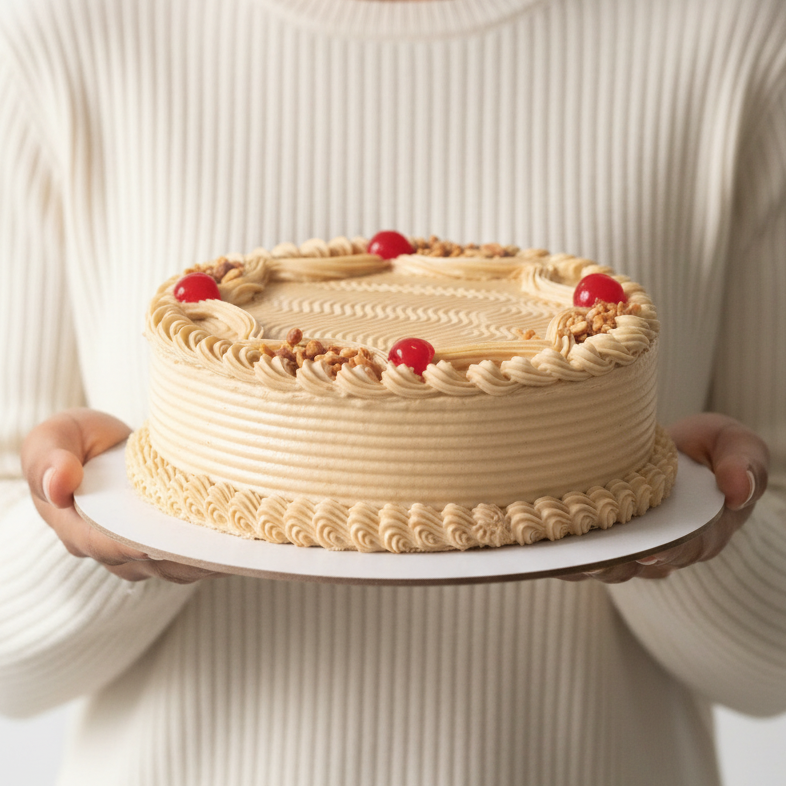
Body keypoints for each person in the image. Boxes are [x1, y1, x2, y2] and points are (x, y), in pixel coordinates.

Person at [0, 0, 784, 783]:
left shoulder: (736, 29)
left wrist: (694, 530)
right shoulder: (63, 27)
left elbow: (770, 668)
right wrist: (94, 524)